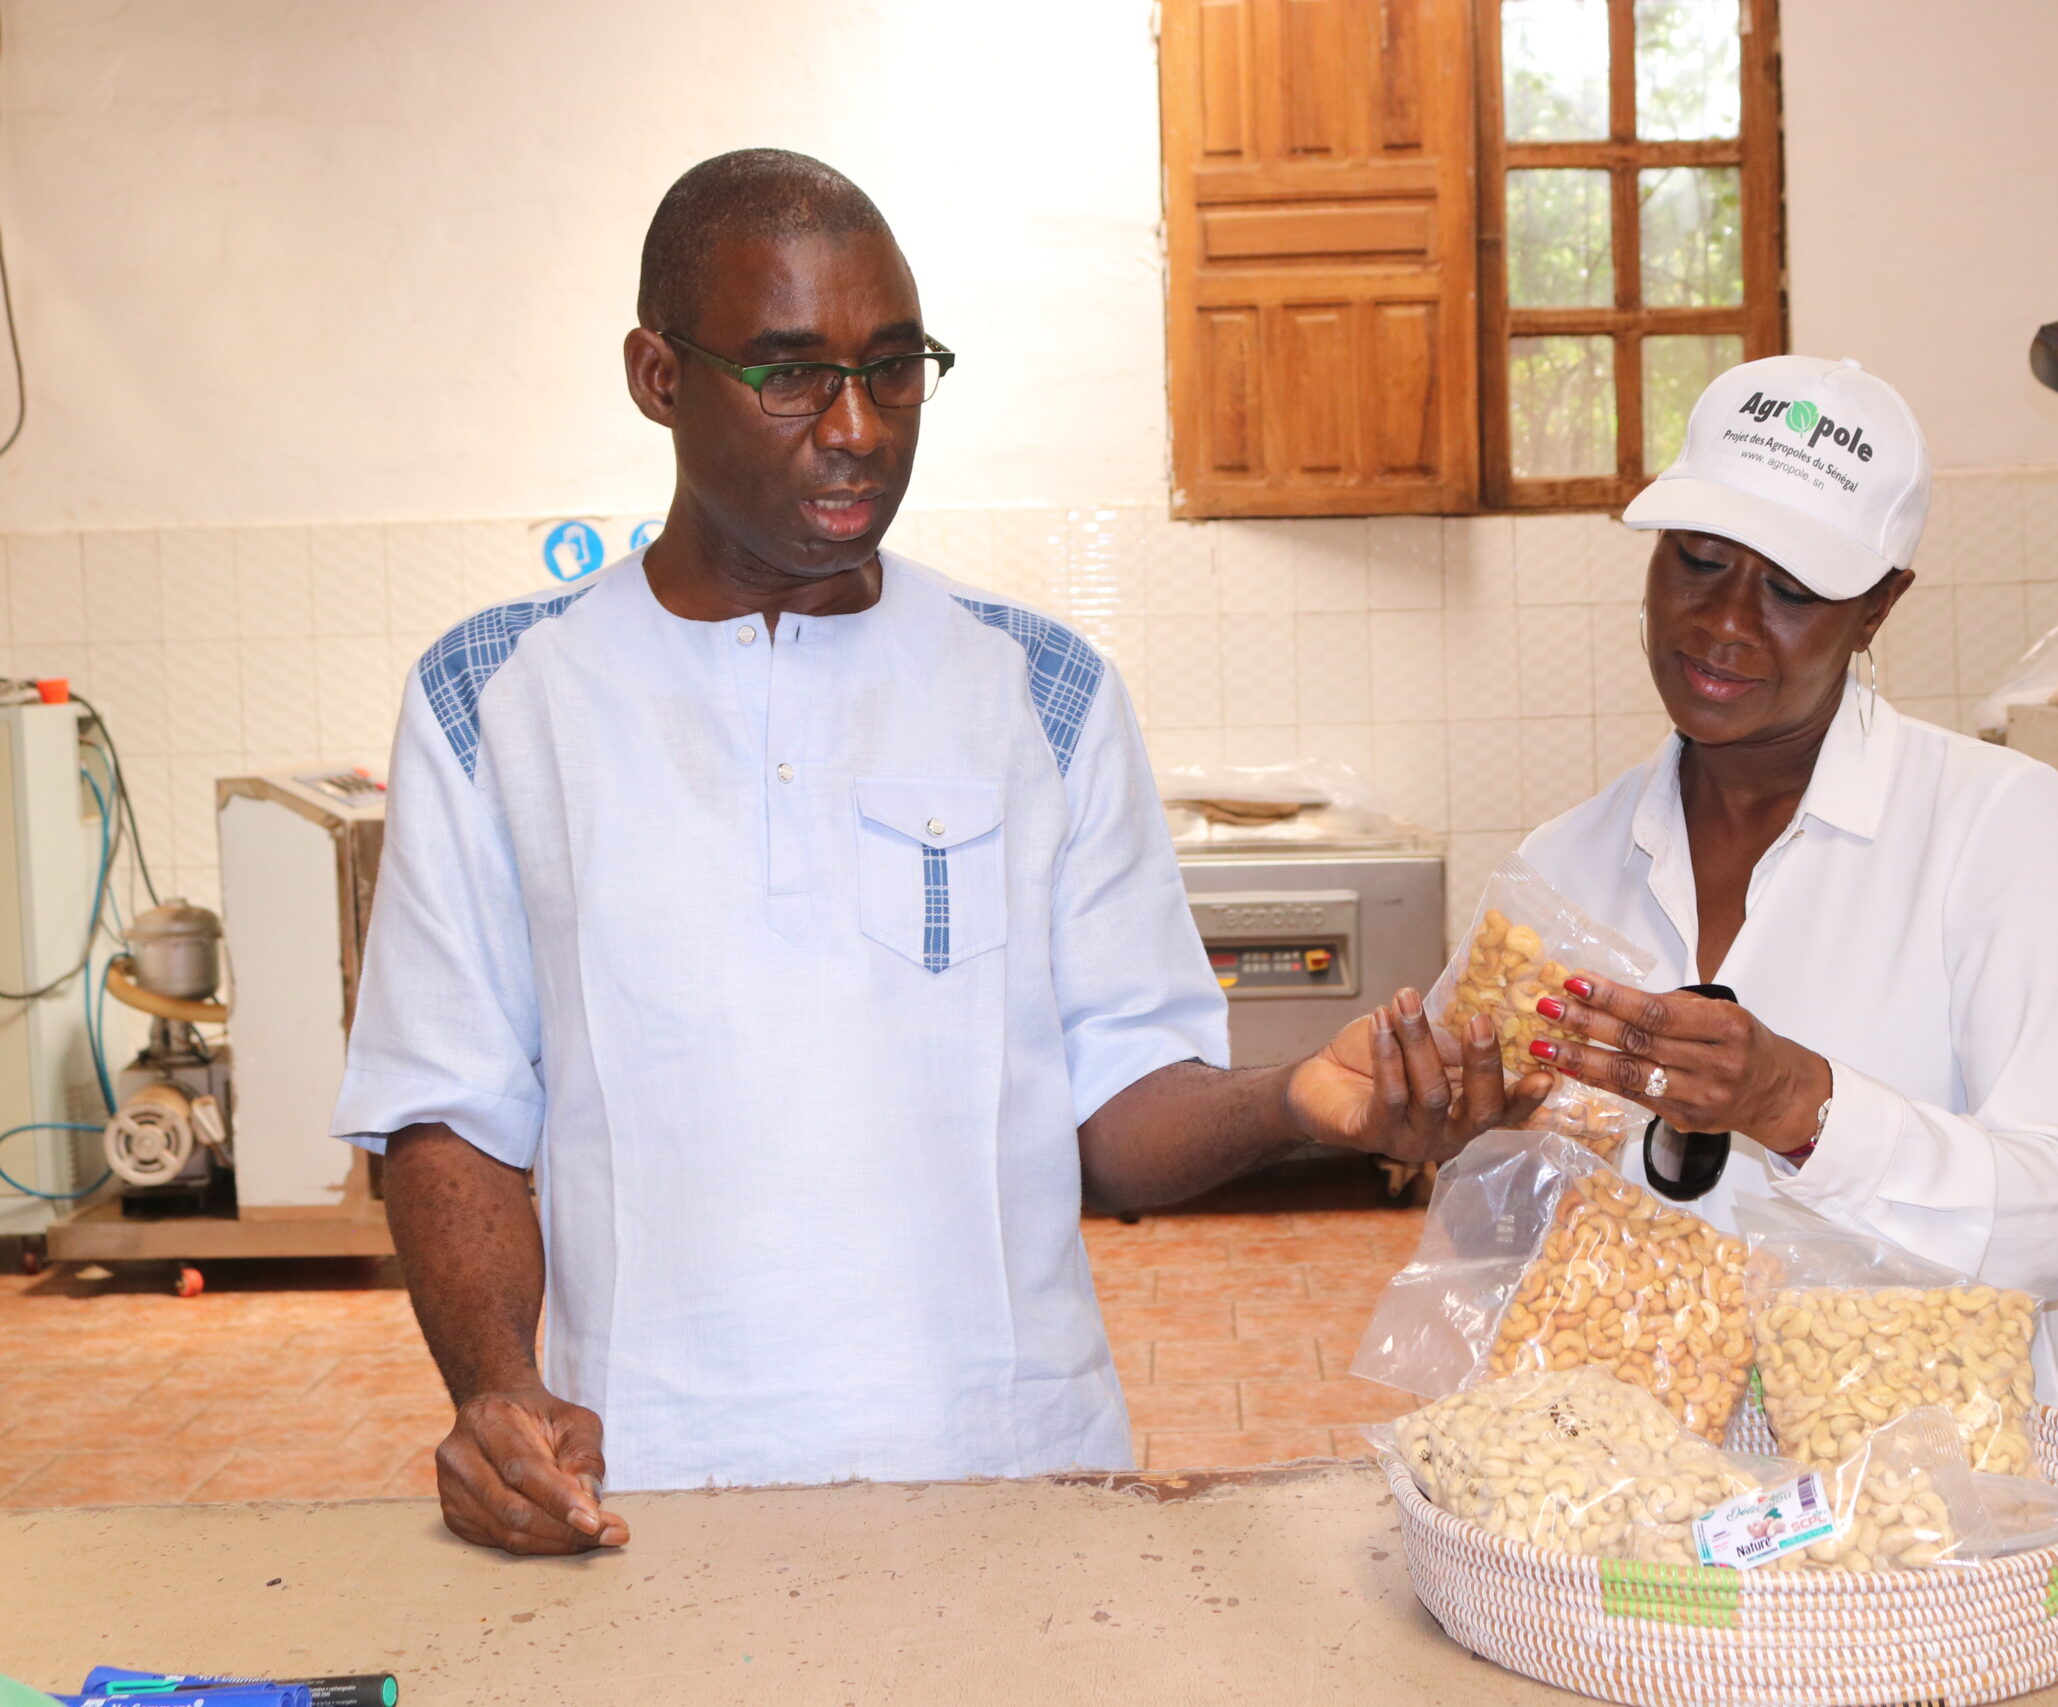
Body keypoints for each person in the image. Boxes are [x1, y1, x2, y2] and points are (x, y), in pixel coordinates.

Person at [333, 150, 1545, 1556]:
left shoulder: (1038, 688)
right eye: (790, 373)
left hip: (1011, 1474)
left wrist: (1294, 1100)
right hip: (644, 1483)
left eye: (895, 367)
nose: (856, 425)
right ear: (658, 376)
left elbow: (1121, 1114)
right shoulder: (498, 695)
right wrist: (497, 1389)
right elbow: (451, 1109)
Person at [1513, 354, 2058, 1414]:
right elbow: (1517, 1227)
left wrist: (1801, 1105)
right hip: (1645, 1481)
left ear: (1880, 607)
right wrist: (1463, 1126)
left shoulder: (1991, 821)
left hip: (1932, 1492)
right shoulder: (1559, 866)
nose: (1726, 623)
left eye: (1792, 590)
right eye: (1698, 561)